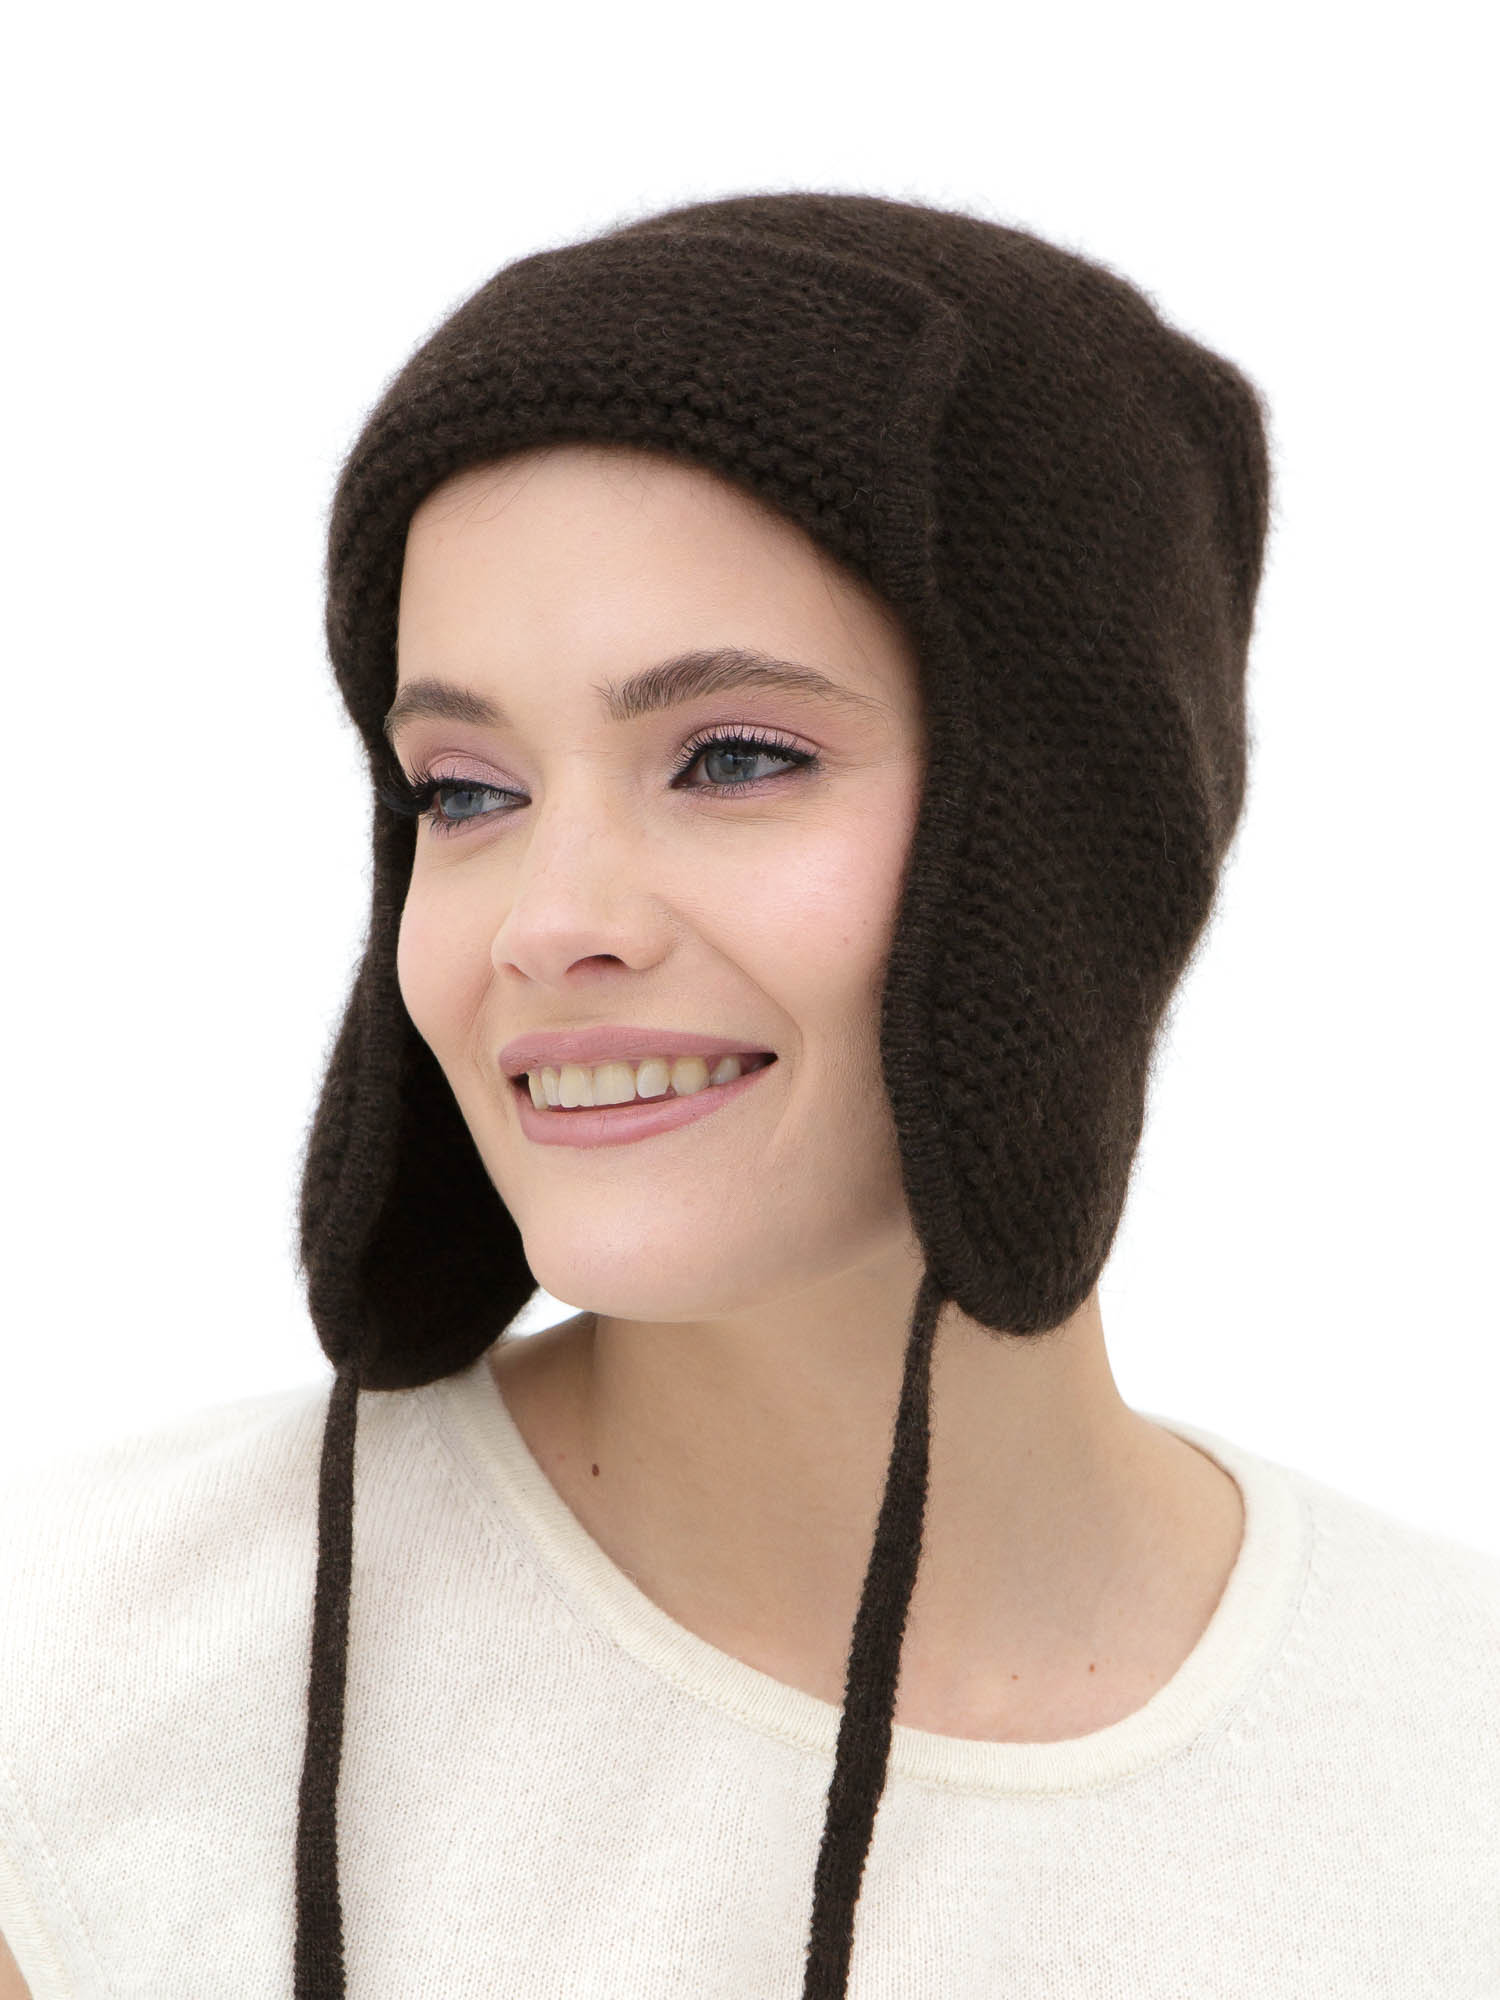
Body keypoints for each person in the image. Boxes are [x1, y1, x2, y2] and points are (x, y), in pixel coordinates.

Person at [1, 191, 1495, 2000]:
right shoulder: (72, 1690)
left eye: (732, 758)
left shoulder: (1450, 1756)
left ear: (1075, 848)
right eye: (465, 791)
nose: (547, 923)